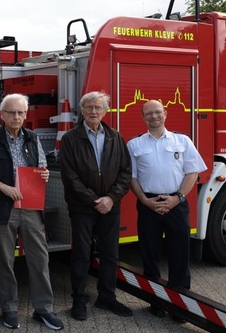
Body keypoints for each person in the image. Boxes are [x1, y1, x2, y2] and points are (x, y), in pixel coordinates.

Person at [0, 94, 64, 331]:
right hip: (4, 209)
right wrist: (4, 187)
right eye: (11, 112)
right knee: (6, 262)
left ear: (26, 115)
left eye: (20, 112)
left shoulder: (33, 138)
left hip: (30, 208)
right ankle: (9, 309)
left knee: (40, 259)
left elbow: (41, 167)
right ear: (2, 115)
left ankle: (44, 309)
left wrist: (44, 174)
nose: (16, 117)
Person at [127, 100, 206, 319]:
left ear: (165, 114)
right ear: (143, 117)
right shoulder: (134, 145)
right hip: (148, 204)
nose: (153, 116)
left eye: (157, 112)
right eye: (148, 113)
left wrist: (177, 198)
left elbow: (192, 172)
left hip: (176, 203)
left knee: (179, 255)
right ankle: (156, 302)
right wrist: (144, 200)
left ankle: (180, 306)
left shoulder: (183, 141)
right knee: (149, 255)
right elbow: (131, 177)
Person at [60, 91, 133, 321]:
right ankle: (79, 300)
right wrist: (94, 200)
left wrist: (111, 198)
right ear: (82, 110)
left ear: (105, 111)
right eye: (89, 107)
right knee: (81, 254)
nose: (93, 111)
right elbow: (69, 176)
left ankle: (107, 298)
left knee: (110, 254)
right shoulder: (71, 138)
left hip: (111, 206)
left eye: (98, 107)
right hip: (83, 207)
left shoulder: (115, 137)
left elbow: (125, 172)